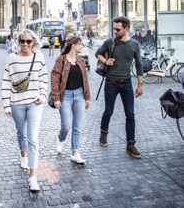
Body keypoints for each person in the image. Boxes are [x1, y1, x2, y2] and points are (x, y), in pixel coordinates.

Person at [1, 29, 48, 192]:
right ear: (18, 42)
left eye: (29, 41)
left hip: (35, 103)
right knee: (21, 133)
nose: (26, 44)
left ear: (34, 42)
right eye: (23, 41)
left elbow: (43, 79)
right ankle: (23, 155)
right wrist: (6, 105)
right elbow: (6, 81)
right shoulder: (12, 58)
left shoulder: (39, 57)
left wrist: (42, 95)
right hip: (16, 104)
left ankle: (33, 178)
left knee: (33, 138)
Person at [95, 16, 143, 159]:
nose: (115, 31)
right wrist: (106, 60)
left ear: (126, 29)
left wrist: (140, 85)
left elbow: (139, 65)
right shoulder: (110, 42)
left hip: (126, 83)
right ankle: (103, 134)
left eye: (118, 29)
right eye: (114, 29)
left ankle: (130, 144)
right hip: (111, 82)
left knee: (130, 114)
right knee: (108, 111)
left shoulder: (134, 44)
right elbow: (98, 53)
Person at [51, 36, 91, 164]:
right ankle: (60, 139)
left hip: (79, 95)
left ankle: (75, 152)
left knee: (77, 127)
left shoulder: (81, 61)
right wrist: (56, 98)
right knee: (66, 125)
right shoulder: (61, 60)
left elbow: (85, 80)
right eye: (80, 44)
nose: (82, 47)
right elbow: (54, 79)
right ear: (73, 45)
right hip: (65, 96)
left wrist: (87, 97)